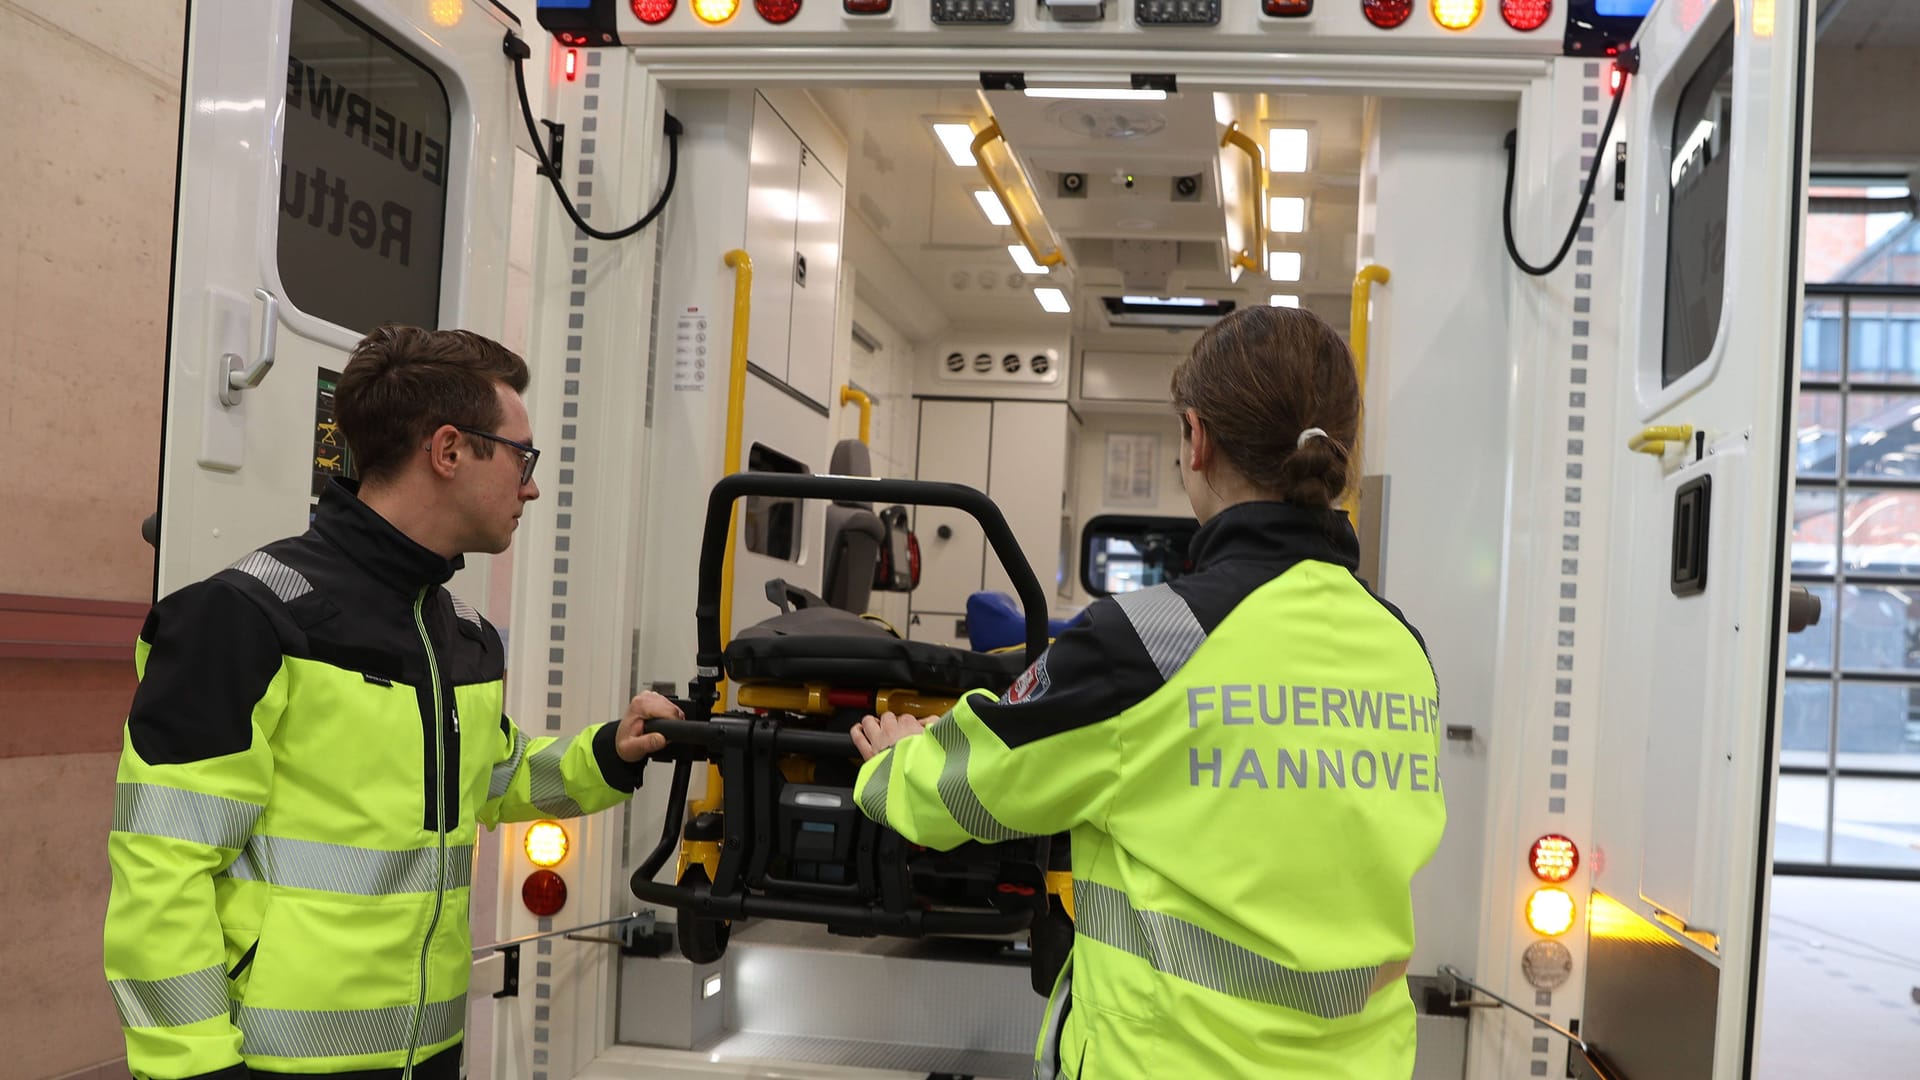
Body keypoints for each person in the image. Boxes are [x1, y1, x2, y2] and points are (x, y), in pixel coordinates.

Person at [850, 305, 1446, 1079]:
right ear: (1339, 453)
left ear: (1196, 440)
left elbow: (966, 790)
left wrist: (890, 765)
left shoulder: (1150, 641)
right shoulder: (1401, 648)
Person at [103, 326, 681, 1080]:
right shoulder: (244, 619)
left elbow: (491, 778)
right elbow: (160, 870)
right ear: (448, 450)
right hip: (269, 1066)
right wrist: (195, 1069)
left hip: (430, 1054)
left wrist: (611, 751)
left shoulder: (461, 633)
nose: (531, 486)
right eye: (521, 456)